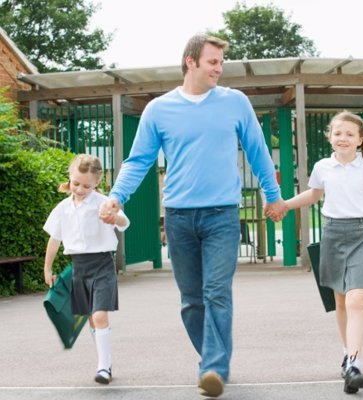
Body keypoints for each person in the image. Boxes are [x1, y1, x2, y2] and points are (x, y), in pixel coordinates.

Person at [99, 34, 288, 398]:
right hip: (179, 218)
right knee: (191, 300)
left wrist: (274, 195)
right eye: (213, 62)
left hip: (222, 216)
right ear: (191, 62)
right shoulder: (159, 109)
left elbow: (259, 151)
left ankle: (213, 366)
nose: (219, 69)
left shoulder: (235, 103)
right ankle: (214, 359)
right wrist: (116, 197)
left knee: (217, 292)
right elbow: (138, 160)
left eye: (221, 63)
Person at [272, 111, 363, 394]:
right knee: (341, 300)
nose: (343, 138)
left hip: (362, 235)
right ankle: (348, 356)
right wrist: (285, 204)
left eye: (349, 134)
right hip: (333, 234)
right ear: (330, 137)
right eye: (338, 133)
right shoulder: (323, 167)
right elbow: (313, 195)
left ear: (360, 140)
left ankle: (356, 361)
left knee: (357, 298)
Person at [43, 154, 130, 385]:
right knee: (92, 319)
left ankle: (103, 368)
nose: (80, 189)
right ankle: (106, 360)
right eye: (76, 183)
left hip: (102, 264)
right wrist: (47, 268)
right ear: (70, 178)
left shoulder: (103, 202)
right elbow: (54, 240)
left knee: (100, 315)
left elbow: (124, 221)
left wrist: (115, 218)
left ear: (96, 184)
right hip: (78, 267)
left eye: (87, 185)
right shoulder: (62, 208)